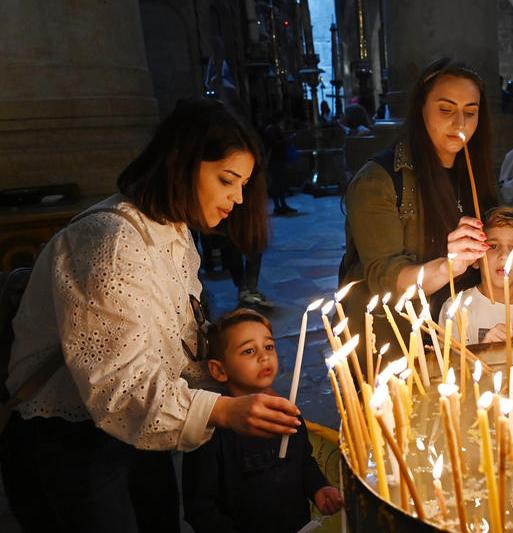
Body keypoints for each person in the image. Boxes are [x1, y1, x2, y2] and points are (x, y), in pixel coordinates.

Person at [0, 98, 302, 533]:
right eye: (227, 179)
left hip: (135, 433)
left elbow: (173, 343)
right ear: (180, 163)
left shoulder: (173, 232)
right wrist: (222, 412)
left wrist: (229, 362)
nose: (237, 198)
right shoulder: (110, 241)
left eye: (244, 184)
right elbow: (120, 385)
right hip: (70, 440)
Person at [339, 57, 495, 350]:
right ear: (421, 108)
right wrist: (448, 267)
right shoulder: (379, 181)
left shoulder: (475, 173)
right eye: (446, 109)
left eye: (470, 112)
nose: (459, 123)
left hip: (462, 335)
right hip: (397, 341)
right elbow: (384, 277)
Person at [182, 309, 342, 533]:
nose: (264, 356)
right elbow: (200, 508)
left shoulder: (287, 411)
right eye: (249, 351)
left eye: (269, 347)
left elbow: (303, 461)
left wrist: (318, 488)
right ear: (219, 370)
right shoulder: (209, 430)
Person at [437, 207, 513, 344]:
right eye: (493, 246)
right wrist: (485, 352)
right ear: (475, 257)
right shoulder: (456, 310)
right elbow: (448, 364)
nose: (504, 256)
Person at [262, 112, 297, 216]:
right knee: (278, 183)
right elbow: (275, 144)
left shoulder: (271, 129)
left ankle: (281, 205)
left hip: (277, 159)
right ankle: (278, 206)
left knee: (280, 183)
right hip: (276, 160)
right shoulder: (272, 129)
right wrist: (287, 140)